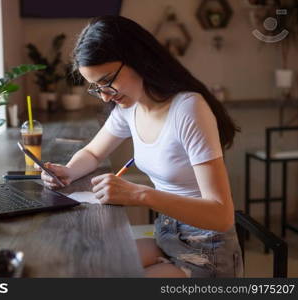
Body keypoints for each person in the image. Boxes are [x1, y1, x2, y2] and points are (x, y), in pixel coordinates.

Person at [39, 16, 243, 278]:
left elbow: (221, 215)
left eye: (107, 80)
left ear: (137, 58)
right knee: (91, 267)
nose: (104, 95)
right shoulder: (131, 105)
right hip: (167, 234)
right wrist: (67, 171)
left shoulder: (188, 109)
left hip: (208, 252)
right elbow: (92, 152)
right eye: (96, 87)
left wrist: (138, 194)